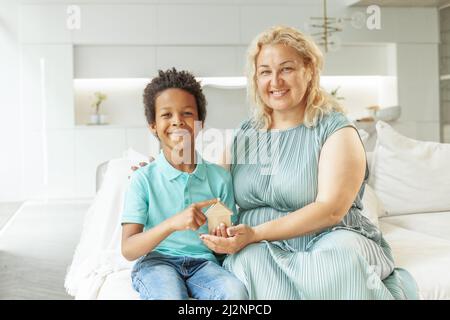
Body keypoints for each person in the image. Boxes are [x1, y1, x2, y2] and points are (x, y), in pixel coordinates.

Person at [197, 26, 419, 299]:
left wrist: (255, 233)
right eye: (265, 71)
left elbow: (330, 210)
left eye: (286, 69)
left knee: (336, 259)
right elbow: (216, 197)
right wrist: (221, 227)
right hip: (259, 245)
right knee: (249, 263)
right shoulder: (244, 133)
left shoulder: (336, 130)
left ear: (309, 70)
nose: (275, 81)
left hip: (330, 237)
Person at [121, 68, 248, 300]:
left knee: (235, 293)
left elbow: (221, 245)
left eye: (187, 113)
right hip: (157, 263)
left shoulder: (219, 178)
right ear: (153, 125)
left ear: (200, 122)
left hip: (203, 265)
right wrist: (172, 224)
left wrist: (221, 237)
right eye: (166, 115)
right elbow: (128, 248)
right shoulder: (143, 179)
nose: (177, 121)